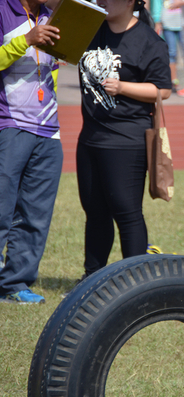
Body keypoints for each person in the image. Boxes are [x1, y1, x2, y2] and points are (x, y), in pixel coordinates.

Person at [72, 0, 171, 288]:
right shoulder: (91, 30)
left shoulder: (149, 40)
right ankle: (91, 279)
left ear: (130, 2)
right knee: (95, 212)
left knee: (126, 213)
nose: (101, 2)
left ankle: (136, 283)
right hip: (90, 137)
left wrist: (123, 87)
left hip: (126, 140)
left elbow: (162, 90)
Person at [0, 0, 63, 304]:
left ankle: (15, 285)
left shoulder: (53, 15)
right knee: (1, 209)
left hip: (48, 129)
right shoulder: (3, 10)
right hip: (7, 125)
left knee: (35, 215)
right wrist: (26, 41)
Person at [151, 0, 182, 92]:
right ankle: (173, 81)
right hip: (168, 23)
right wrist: (157, 21)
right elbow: (157, 4)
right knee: (171, 53)